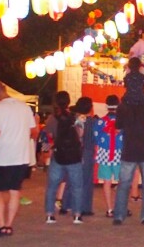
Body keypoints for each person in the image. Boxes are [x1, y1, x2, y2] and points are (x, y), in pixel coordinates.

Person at [0, 80, 34, 237]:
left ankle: (1, 223)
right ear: (4, 89)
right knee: (14, 191)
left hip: (2, 157)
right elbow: (33, 131)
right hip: (21, 156)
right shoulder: (24, 107)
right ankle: (9, 225)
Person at [114, 68, 144, 226]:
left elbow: (118, 126)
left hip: (129, 148)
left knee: (124, 183)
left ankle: (119, 215)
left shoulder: (122, 106)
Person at [44, 91, 85, 225]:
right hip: (74, 156)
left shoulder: (52, 118)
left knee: (52, 186)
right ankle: (77, 215)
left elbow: (48, 136)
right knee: (77, 186)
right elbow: (80, 135)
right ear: (68, 101)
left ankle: (50, 215)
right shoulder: (76, 117)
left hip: (58, 155)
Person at [94, 95, 122, 217]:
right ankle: (121, 207)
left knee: (106, 181)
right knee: (122, 181)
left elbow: (96, 138)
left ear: (106, 106)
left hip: (104, 153)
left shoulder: (100, 121)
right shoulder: (122, 122)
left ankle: (110, 209)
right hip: (119, 153)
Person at [74, 97, 98, 216]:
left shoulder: (75, 119)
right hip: (87, 151)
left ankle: (69, 205)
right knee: (87, 181)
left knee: (74, 180)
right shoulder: (92, 121)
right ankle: (85, 208)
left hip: (75, 151)